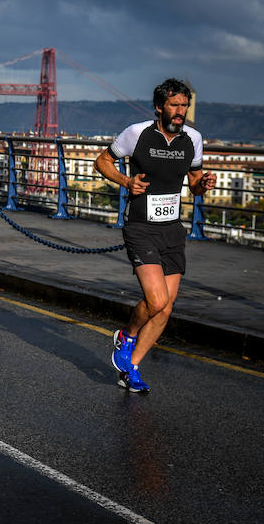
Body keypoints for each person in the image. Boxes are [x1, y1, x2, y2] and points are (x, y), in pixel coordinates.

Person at [94, 78, 216, 393]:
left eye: (184, 106)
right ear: (159, 107)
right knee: (156, 300)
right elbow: (102, 161)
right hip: (141, 227)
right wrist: (126, 181)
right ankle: (127, 335)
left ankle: (131, 367)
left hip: (172, 230)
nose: (180, 112)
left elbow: (194, 180)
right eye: (174, 106)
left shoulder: (193, 138)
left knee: (167, 307)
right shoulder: (137, 134)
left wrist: (204, 185)